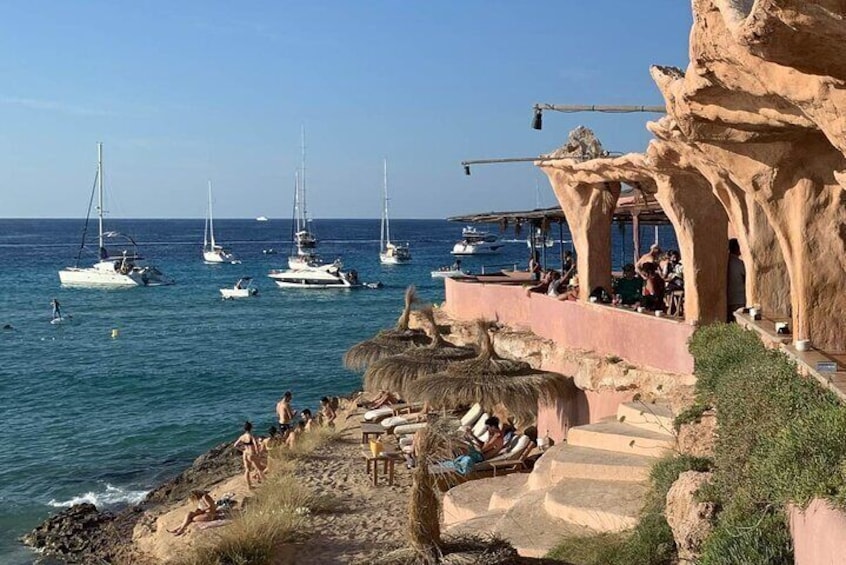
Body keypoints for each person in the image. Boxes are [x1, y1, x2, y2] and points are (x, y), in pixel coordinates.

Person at [235, 421, 265, 489]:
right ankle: (265, 482)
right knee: (259, 468)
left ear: (244, 429)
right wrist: (258, 453)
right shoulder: (251, 436)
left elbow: (235, 445)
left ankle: (249, 486)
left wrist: (242, 450)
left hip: (245, 454)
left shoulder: (242, 437)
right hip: (251, 454)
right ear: (251, 428)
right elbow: (255, 446)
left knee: (247, 470)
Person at [727, 238, 746, 322]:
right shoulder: (739, 263)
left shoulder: (726, 261)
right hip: (739, 298)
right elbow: (746, 278)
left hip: (728, 298)